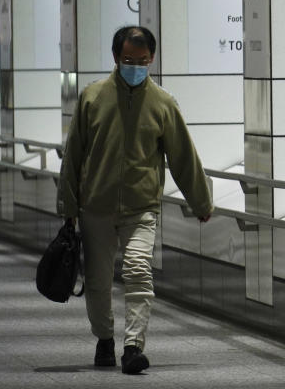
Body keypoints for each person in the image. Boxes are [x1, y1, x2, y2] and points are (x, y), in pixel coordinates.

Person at [57, 26, 213, 374]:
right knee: (97, 282)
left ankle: (132, 347)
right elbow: (73, 157)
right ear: (116, 58)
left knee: (139, 270)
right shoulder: (92, 98)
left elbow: (184, 157)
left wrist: (201, 202)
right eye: (129, 60)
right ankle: (104, 339)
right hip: (95, 205)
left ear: (152, 59)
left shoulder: (162, 103)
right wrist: (68, 207)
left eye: (143, 61)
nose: (136, 66)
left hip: (141, 208)